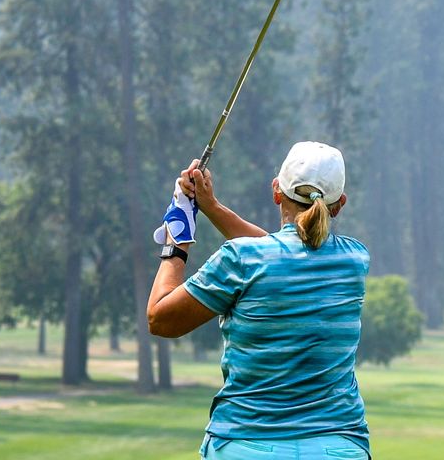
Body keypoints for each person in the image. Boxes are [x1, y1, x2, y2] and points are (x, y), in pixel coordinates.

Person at [147, 141, 371, 460]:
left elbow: (160, 319)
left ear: (276, 190)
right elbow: (276, 251)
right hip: (338, 447)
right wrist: (211, 206)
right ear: (339, 204)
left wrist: (177, 240)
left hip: (245, 443)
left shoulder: (241, 260)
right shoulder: (354, 260)